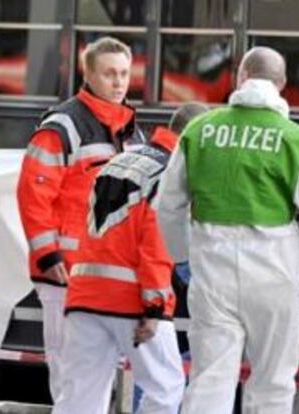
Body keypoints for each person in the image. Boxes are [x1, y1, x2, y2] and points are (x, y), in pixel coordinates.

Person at [155, 46, 299, 414]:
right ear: (281, 85)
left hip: (212, 276)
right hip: (274, 278)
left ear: (240, 77)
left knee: (210, 379)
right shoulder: (298, 140)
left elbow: (167, 206)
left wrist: (180, 258)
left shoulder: (198, 131)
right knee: (272, 383)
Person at [51, 102, 208, 414]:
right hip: (132, 299)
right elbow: (157, 236)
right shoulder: (171, 171)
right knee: (166, 388)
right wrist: (154, 303)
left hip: (84, 292)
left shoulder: (118, 160)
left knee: (80, 396)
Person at [16, 36, 145, 403]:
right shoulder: (63, 126)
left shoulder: (131, 131)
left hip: (105, 277)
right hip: (65, 274)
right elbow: (33, 192)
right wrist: (48, 254)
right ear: (88, 73)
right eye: (109, 74)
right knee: (71, 375)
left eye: (123, 73)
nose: (119, 82)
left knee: (94, 377)